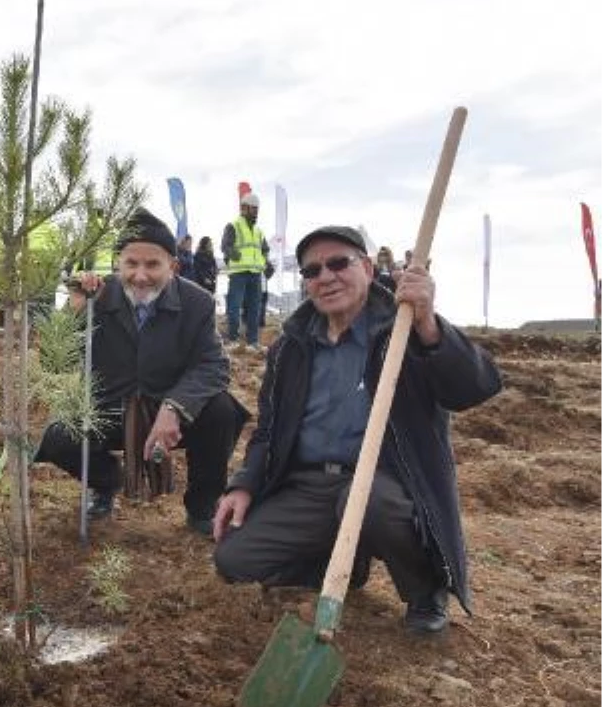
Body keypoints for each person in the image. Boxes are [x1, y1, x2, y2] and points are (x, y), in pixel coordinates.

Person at [212, 226, 503, 634]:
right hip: (310, 485)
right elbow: (270, 429)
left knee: (365, 500)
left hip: (384, 486)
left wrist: (429, 325)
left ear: (367, 268)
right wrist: (242, 484)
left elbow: (474, 388)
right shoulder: (290, 346)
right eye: (312, 271)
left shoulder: (403, 330)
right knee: (235, 561)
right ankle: (340, 561)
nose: (325, 276)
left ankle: (425, 591)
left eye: (338, 263)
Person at [34, 208, 248, 532]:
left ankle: (203, 506)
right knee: (59, 436)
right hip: (109, 410)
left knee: (222, 411)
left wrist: (175, 407)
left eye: (153, 265)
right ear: (118, 263)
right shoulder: (97, 297)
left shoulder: (198, 303)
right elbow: (55, 363)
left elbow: (213, 365)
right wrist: (73, 313)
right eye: (131, 264)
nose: (140, 275)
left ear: (173, 266)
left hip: (169, 411)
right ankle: (106, 481)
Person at [221, 192, 272, 349]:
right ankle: (233, 339)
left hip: (255, 274)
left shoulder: (259, 231)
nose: (256, 212)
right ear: (243, 208)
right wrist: (232, 253)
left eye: (257, 209)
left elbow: (263, 251)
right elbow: (225, 246)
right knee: (234, 307)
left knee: (255, 308)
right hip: (238, 274)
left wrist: (267, 265)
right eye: (253, 209)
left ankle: (252, 341)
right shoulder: (233, 225)